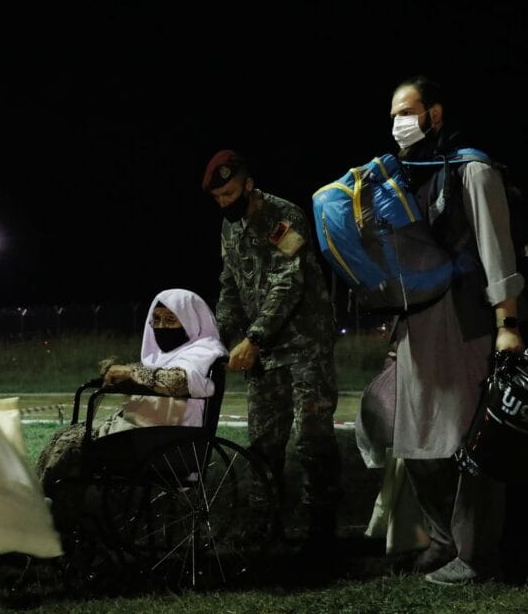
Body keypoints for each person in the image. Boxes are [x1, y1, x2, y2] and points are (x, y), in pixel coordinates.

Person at [385, 75, 524, 585]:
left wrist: (507, 323)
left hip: (464, 322)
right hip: (416, 328)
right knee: (415, 442)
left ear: (435, 114)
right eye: (393, 114)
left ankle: (477, 554)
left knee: (470, 442)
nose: (398, 123)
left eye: (407, 110)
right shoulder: (407, 176)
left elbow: (496, 249)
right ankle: (442, 541)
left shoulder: (472, 168)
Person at [202, 149, 341, 547]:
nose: (225, 203)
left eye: (229, 193)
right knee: (263, 443)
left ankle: (321, 532)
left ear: (248, 184)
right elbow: (230, 287)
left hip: (303, 347)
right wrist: (215, 337)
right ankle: (264, 528)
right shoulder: (229, 229)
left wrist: (253, 338)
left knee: (312, 440)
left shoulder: (284, 218)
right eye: (218, 198)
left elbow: (289, 281)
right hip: (262, 354)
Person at [35, 288, 228, 531]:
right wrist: (121, 373)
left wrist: (130, 372)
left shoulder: (204, 351)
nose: (161, 327)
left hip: (169, 441)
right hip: (147, 433)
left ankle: (48, 525)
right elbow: (152, 377)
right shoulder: (173, 354)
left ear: (191, 321)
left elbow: (177, 381)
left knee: (71, 447)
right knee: (61, 440)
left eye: (170, 320)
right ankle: (50, 517)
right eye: (156, 320)